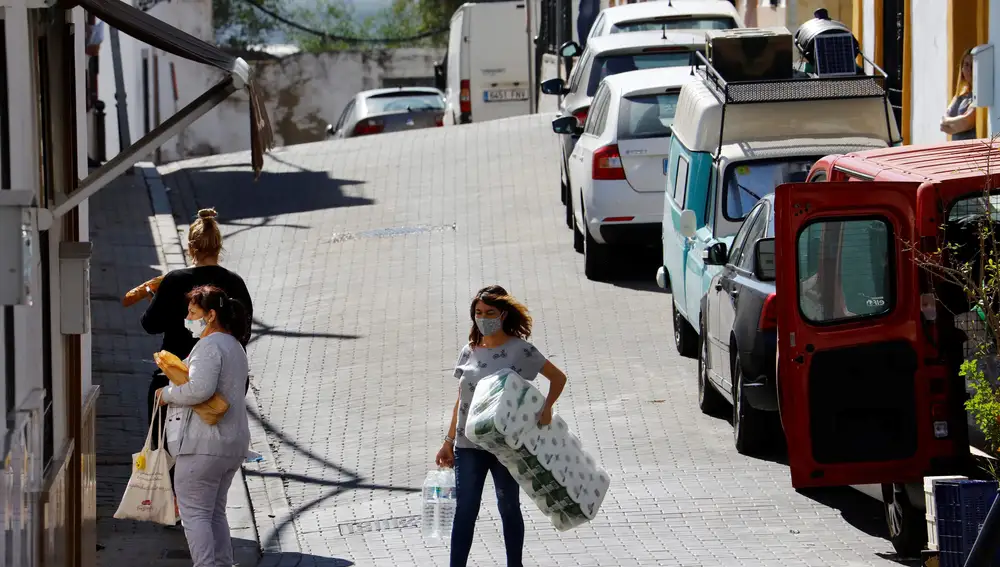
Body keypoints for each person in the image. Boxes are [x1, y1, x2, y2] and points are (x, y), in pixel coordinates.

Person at [435, 285, 569, 567]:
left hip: (505, 446)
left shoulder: (520, 349)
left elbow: (558, 378)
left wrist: (547, 408)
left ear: (503, 314)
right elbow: (462, 399)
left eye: (490, 313)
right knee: (466, 510)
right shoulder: (469, 350)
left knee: (508, 507)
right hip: (468, 445)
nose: (483, 318)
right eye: (478, 313)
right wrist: (448, 441)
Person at [141, 208, 253, 518]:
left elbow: (149, 325)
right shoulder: (235, 283)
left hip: (177, 376)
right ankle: (206, 504)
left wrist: (155, 294)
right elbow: (245, 331)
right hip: (226, 379)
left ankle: (178, 505)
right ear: (218, 245)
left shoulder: (175, 281)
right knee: (214, 444)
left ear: (191, 247)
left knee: (166, 442)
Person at [155, 285, 251, 567]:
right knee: (214, 512)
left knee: (195, 513)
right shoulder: (234, 345)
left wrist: (166, 395)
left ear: (210, 315)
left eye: (192, 311)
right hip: (231, 443)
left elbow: (200, 389)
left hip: (203, 444)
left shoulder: (210, 346)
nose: (188, 317)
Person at [941, 49, 977, 140]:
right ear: (962, 69)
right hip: (956, 147)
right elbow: (942, 125)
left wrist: (948, 122)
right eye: (966, 65)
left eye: (973, 65)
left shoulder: (978, 96)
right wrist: (953, 124)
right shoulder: (961, 94)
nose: (970, 69)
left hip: (970, 149)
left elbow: (966, 123)